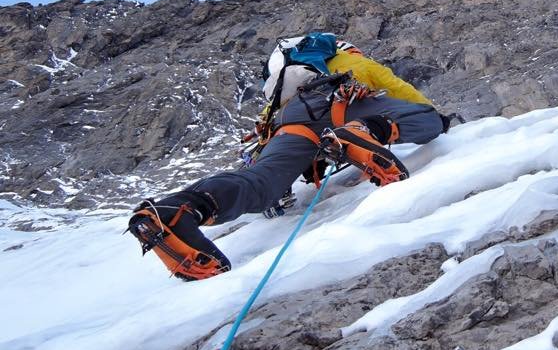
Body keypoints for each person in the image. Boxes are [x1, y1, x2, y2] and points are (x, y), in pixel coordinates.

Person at [128, 33, 448, 281]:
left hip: (295, 122)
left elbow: (267, 127)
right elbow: (399, 88)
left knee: (259, 181)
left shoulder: (284, 88)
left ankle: (181, 209)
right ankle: (362, 131)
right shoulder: (351, 61)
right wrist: (438, 115)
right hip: (344, 102)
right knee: (427, 120)